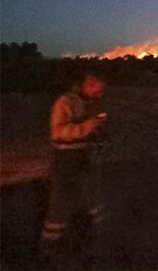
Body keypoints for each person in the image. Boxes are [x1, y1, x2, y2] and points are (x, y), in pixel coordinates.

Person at [40, 71, 108, 263]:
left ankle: (99, 236)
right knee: (60, 204)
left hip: (84, 159)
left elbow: (86, 131)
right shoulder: (64, 102)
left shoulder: (89, 103)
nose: (100, 94)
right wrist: (88, 126)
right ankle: (49, 247)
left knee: (93, 196)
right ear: (88, 83)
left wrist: (98, 134)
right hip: (65, 161)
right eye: (97, 89)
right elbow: (58, 132)